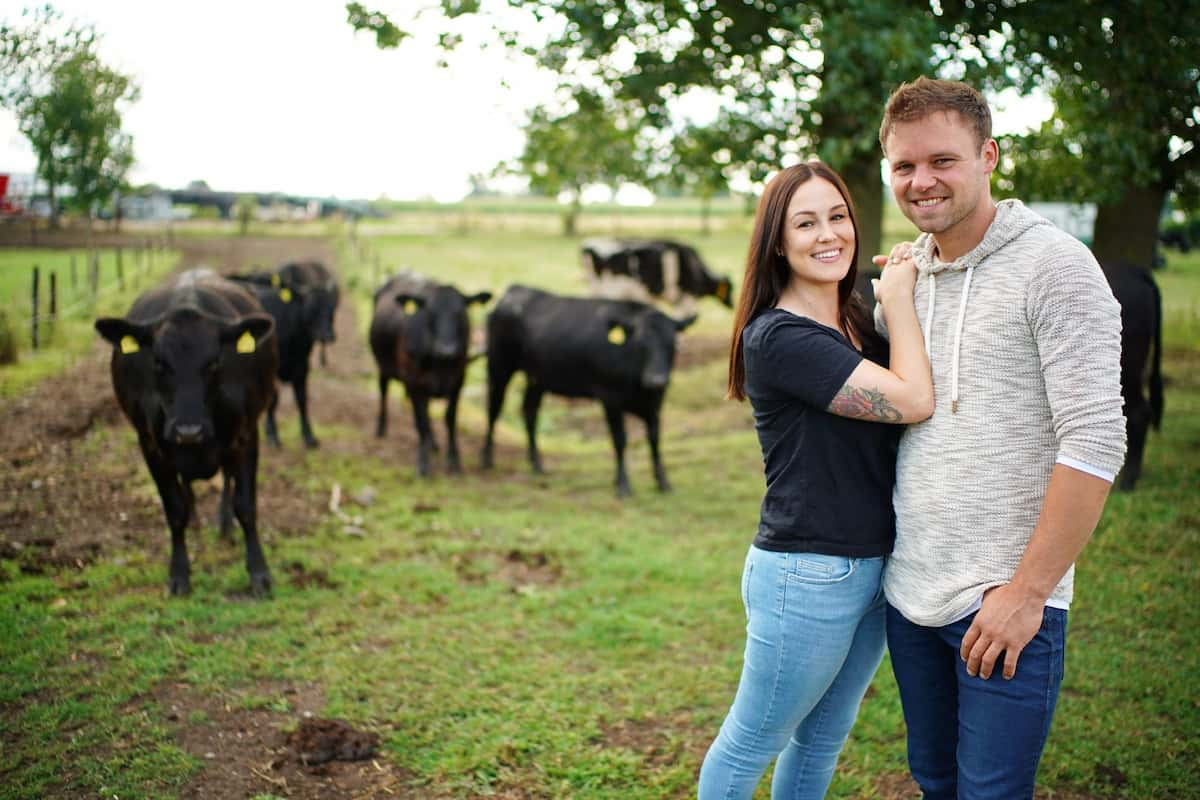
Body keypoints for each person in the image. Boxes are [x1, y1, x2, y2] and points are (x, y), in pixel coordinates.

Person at [875, 77, 1127, 800]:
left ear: (988, 156)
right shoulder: (906, 277)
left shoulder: (1055, 266)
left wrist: (1027, 592)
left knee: (991, 793)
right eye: (903, 166)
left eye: (943, 161)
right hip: (911, 594)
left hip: (1005, 605)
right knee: (935, 782)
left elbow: (1096, 439)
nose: (921, 181)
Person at [698, 160, 933, 800]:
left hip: (877, 567)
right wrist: (901, 297)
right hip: (807, 574)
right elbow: (912, 400)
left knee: (822, 740)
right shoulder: (778, 338)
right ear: (778, 240)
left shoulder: (853, 321)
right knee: (750, 744)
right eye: (806, 223)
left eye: (837, 217)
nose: (828, 234)